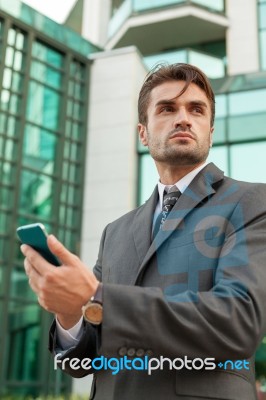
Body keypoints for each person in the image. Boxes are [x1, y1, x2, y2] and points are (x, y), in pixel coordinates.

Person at [21, 63, 266, 400]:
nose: (183, 118)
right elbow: (81, 361)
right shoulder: (115, 233)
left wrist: (97, 296)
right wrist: (69, 312)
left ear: (210, 130)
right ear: (143, 132)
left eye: (196, 109)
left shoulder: (253, 202)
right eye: (167, 109)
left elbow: (239, 319)